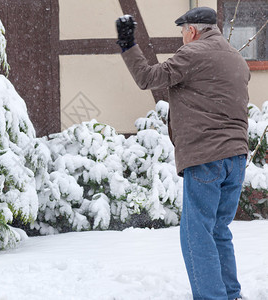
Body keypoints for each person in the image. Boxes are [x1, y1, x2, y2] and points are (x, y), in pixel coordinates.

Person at [116, 7, 249, 300]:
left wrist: (128, 44)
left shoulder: (194, 54)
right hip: (236, 158)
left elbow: (146, 77)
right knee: (218, 230)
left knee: (197, 234)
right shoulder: (236, 59)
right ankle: (231, 294)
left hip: (206, 158)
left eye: (182, 32)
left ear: (192, 30)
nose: (182, 39)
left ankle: (212, 297)